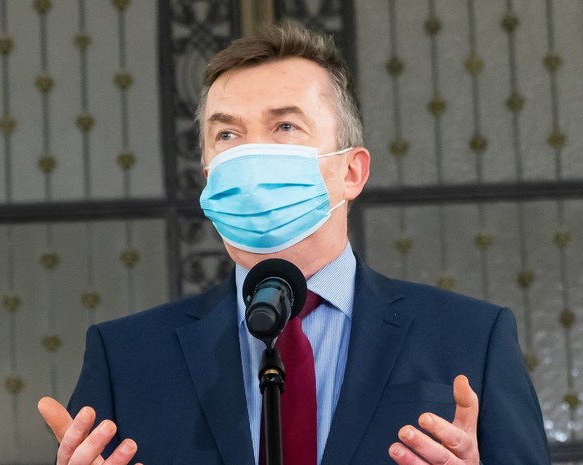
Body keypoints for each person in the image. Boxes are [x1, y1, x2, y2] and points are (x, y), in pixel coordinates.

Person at [38, 22, 552, 465]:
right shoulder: (126, 358)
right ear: (207, 175)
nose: (251, 157)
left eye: (284, 126)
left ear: (351, 172)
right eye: (227, 135)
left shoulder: (471, 339)